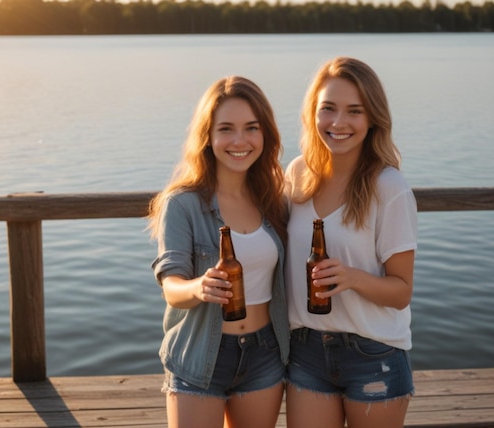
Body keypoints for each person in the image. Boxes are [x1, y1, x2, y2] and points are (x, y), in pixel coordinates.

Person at [147, 76, 289, 428]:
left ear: (264, 135)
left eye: (251, 128)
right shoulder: (182, 204)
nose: (239, 141)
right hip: (200, 355)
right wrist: (197, 287)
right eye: (226, 129)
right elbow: (171, 286)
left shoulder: (275, 201)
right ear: (208, 137)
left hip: (265, 354)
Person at [284, 57, 418, 428]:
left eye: (354, 111)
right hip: (306, 349)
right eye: (328, 108)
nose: (338, 123)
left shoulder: (389, 188)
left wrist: (352, 278)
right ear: (313, 113)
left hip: (373, 352)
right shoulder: (296, 174)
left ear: (372, 118)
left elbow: (401, 292)